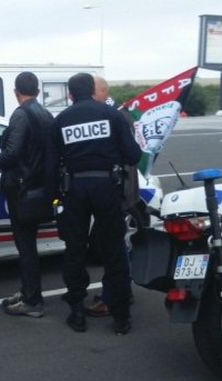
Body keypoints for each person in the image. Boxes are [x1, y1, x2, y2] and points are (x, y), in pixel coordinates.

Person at [51, 73, 141, 335]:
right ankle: (121, 318)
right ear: (93, 91)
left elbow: (52, 163)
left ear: (70, 94)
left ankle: (77, 313)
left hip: (74, 190)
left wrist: (53, 196)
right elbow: (133, 154)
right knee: (113, 250)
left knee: (75, 249)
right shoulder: (111, 115)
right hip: (106, 187)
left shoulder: (61, 121)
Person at [0, 72, 54, 318]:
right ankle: (29, 291)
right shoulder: (45, 114)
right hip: (40, 188)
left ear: (16, 91)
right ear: (37, 91)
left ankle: (31, 299)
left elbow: (12, 153)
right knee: (30, 244)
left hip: (22, 188)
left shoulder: (21, 114)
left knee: (25, 245)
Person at [86, 76, 139, 318]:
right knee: (114, 245)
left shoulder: (116, 115)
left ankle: (113, 297)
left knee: (114, 246)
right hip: (116, 189)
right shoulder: (114, 113)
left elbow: (129, 154)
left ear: (99, 92)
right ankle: (119, 292)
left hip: (119, 190)